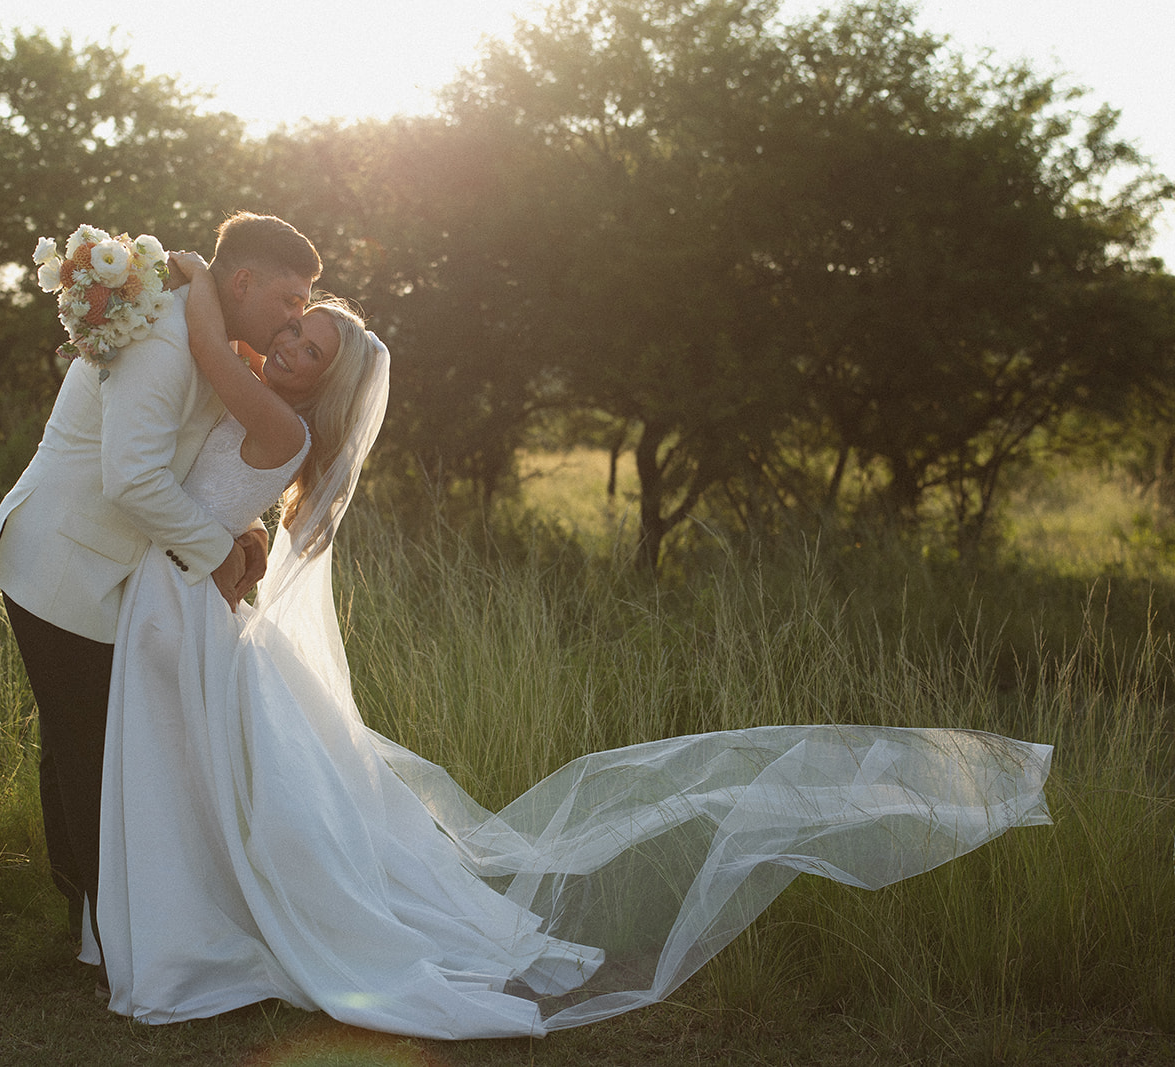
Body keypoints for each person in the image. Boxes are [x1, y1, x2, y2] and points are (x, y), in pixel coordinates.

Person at [90, 255, 1055, 1039]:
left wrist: (184, 276)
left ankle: (196, 942)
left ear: (326, 383)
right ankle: (184, 922)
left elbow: (215, 347)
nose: (290, 343)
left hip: (186, 603)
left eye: (309, 344)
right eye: (295, 330)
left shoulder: (279, 419)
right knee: (189, 780)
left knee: (190, 775)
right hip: (184, 597)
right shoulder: (274, 410)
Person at [0, 213, 321, 976]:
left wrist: (244, 529)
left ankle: (93, 922)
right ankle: (108, 933)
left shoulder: (204, 332)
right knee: (85, 748)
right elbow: (130, 476)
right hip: (62, 561)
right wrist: (217, 552)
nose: (297, 316)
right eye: (292, 299)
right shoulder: (166, 338)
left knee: (79, 743)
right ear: (243, 283)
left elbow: (198, 459)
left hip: (100, 568)